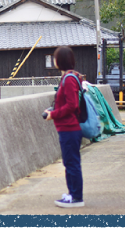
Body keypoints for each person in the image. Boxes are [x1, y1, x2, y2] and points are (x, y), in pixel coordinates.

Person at [43, 46, 85, 208]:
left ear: (59, 61)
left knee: (71, 163)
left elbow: (72, 106)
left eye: (55, 58)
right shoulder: (72, 77)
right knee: (70, 162)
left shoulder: (68, 79)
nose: (53, 61)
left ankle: (76, 198)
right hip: (69, 128)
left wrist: (53, 114)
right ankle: (73, 194)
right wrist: (52, 110)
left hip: (70, 128)